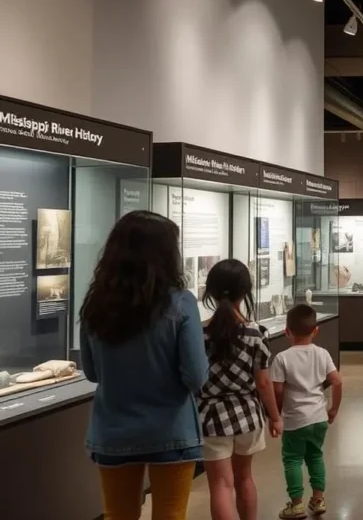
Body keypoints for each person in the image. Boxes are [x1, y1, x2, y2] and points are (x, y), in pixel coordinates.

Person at [80, 211, 209, 520]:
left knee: (118, 514)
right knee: (170, 514)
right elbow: (195, 376)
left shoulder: (96, 304)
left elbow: (92, 372)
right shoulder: (181, 303)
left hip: (113, 430)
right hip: (171, 430)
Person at [198, 259, 282, 520]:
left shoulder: (200, 334)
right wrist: (275, 416)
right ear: (245, 291)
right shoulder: (256, 333)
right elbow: (264, 381)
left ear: (210, 291)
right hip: (248, 413)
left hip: (210, 416)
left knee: (221, 485)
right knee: (245, 478)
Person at [272, 304, 343, 519]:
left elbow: (277, 390)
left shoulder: (282, 358)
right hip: (319, 417)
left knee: (292, 459)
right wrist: (333, 410)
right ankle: (318, 499)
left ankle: (296, 505)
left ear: (287, 331)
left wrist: (275, 416)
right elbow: (337, 382)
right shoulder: (322, 354)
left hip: (295, 420)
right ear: (316, 330)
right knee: (315, 456)